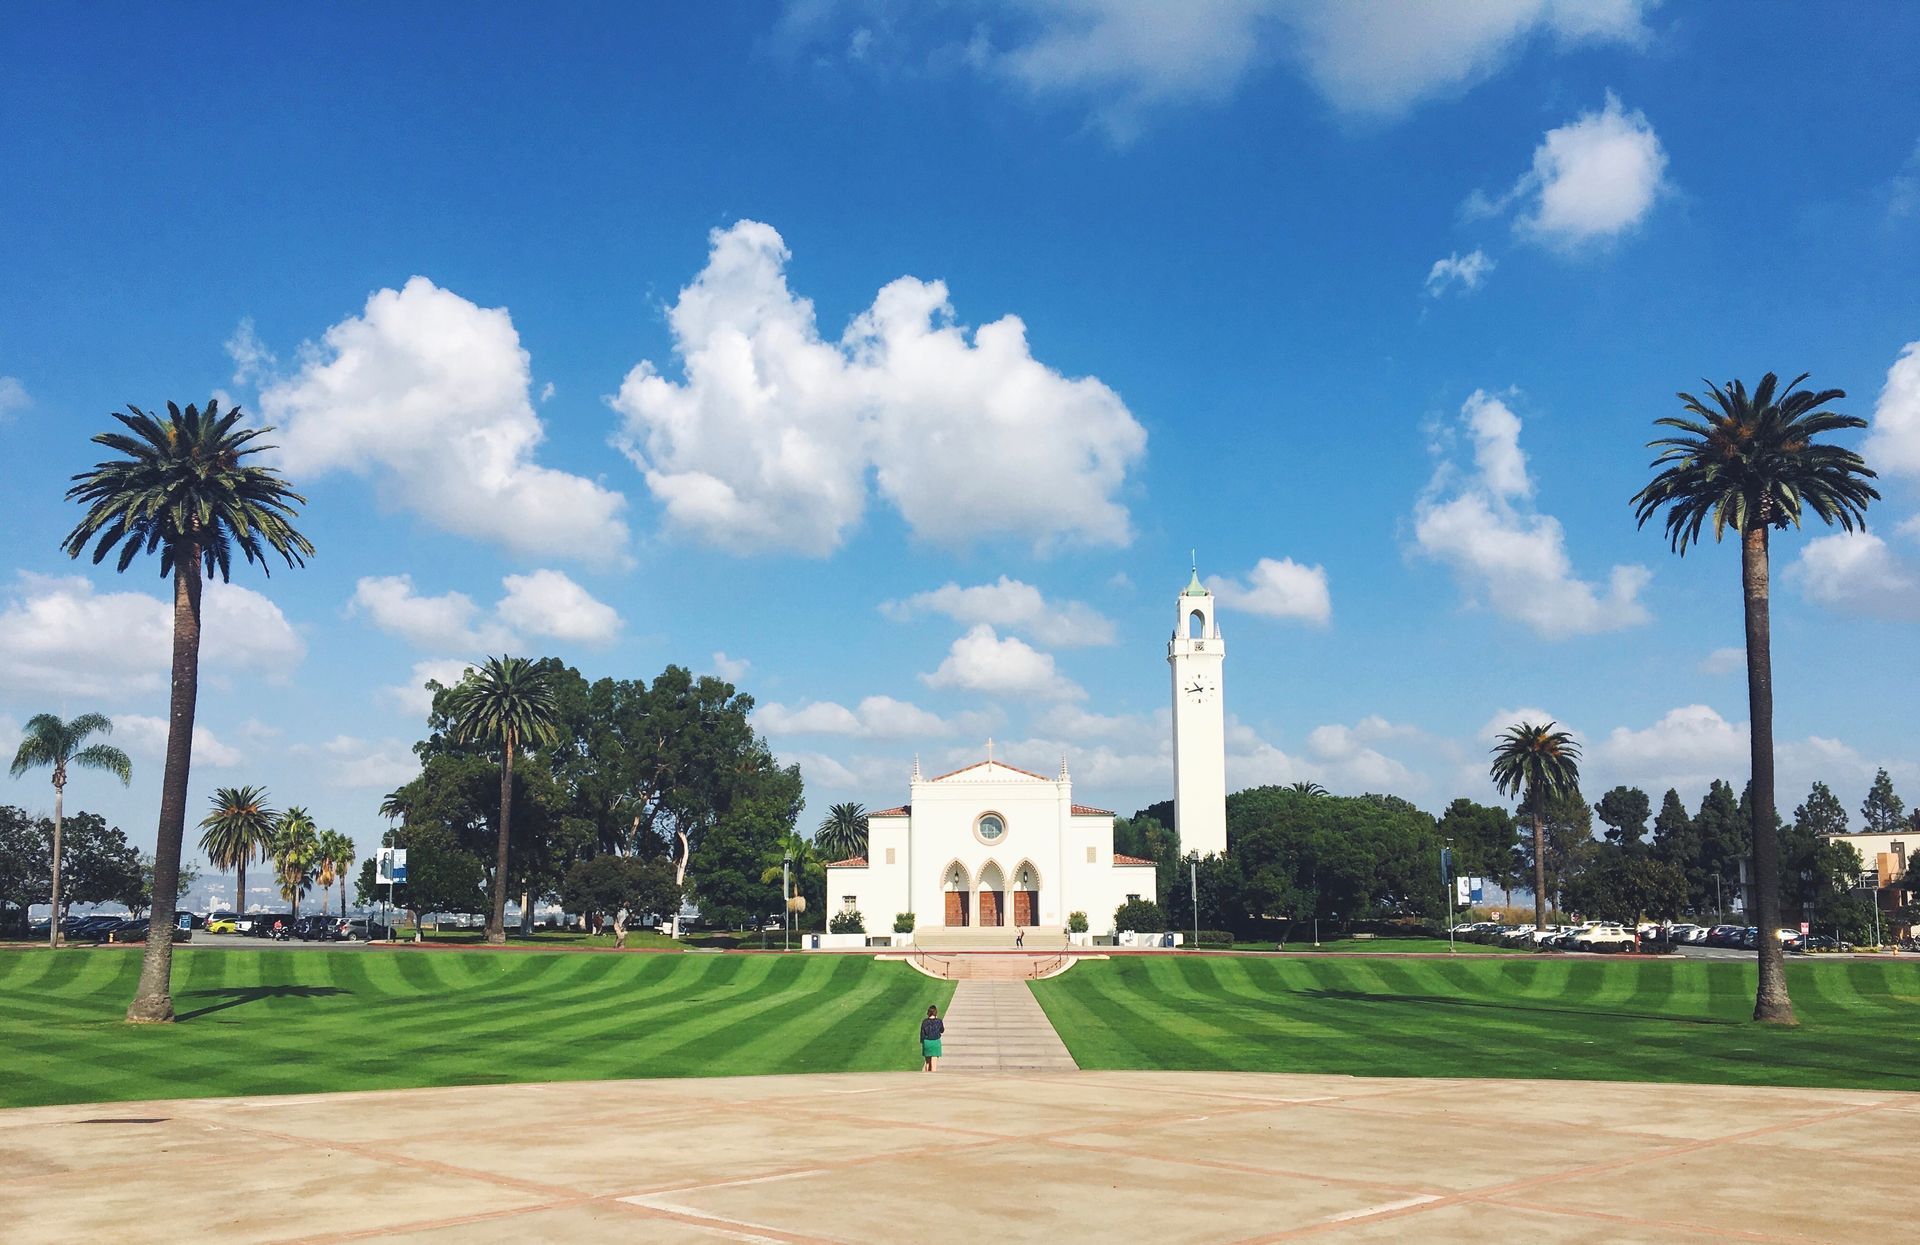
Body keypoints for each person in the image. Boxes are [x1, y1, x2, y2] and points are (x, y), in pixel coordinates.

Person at [919, 1004, 944, 1072]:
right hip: (935, 1042)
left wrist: (922, 1042)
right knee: (934, 1063)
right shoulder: (939, 1021)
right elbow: (942, 1030)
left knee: (927, 1063)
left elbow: (922, 1033)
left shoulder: (925, 1022)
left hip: (927, 1042)